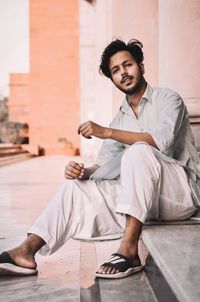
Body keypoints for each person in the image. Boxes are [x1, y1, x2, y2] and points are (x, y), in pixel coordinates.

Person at [0, 39, 200, 279]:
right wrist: (83, 172)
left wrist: (106, 131)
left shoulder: (169, 99)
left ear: (141, 67)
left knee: (138, 150)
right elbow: (104, 167)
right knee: (76, 187)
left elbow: (161, 141)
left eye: (128, 65)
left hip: (180, 194)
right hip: (147, 200)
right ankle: (26, 250)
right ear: (112, 79)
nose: (123, 73)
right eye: (116, 70)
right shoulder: (120, 119)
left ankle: (129, 250)